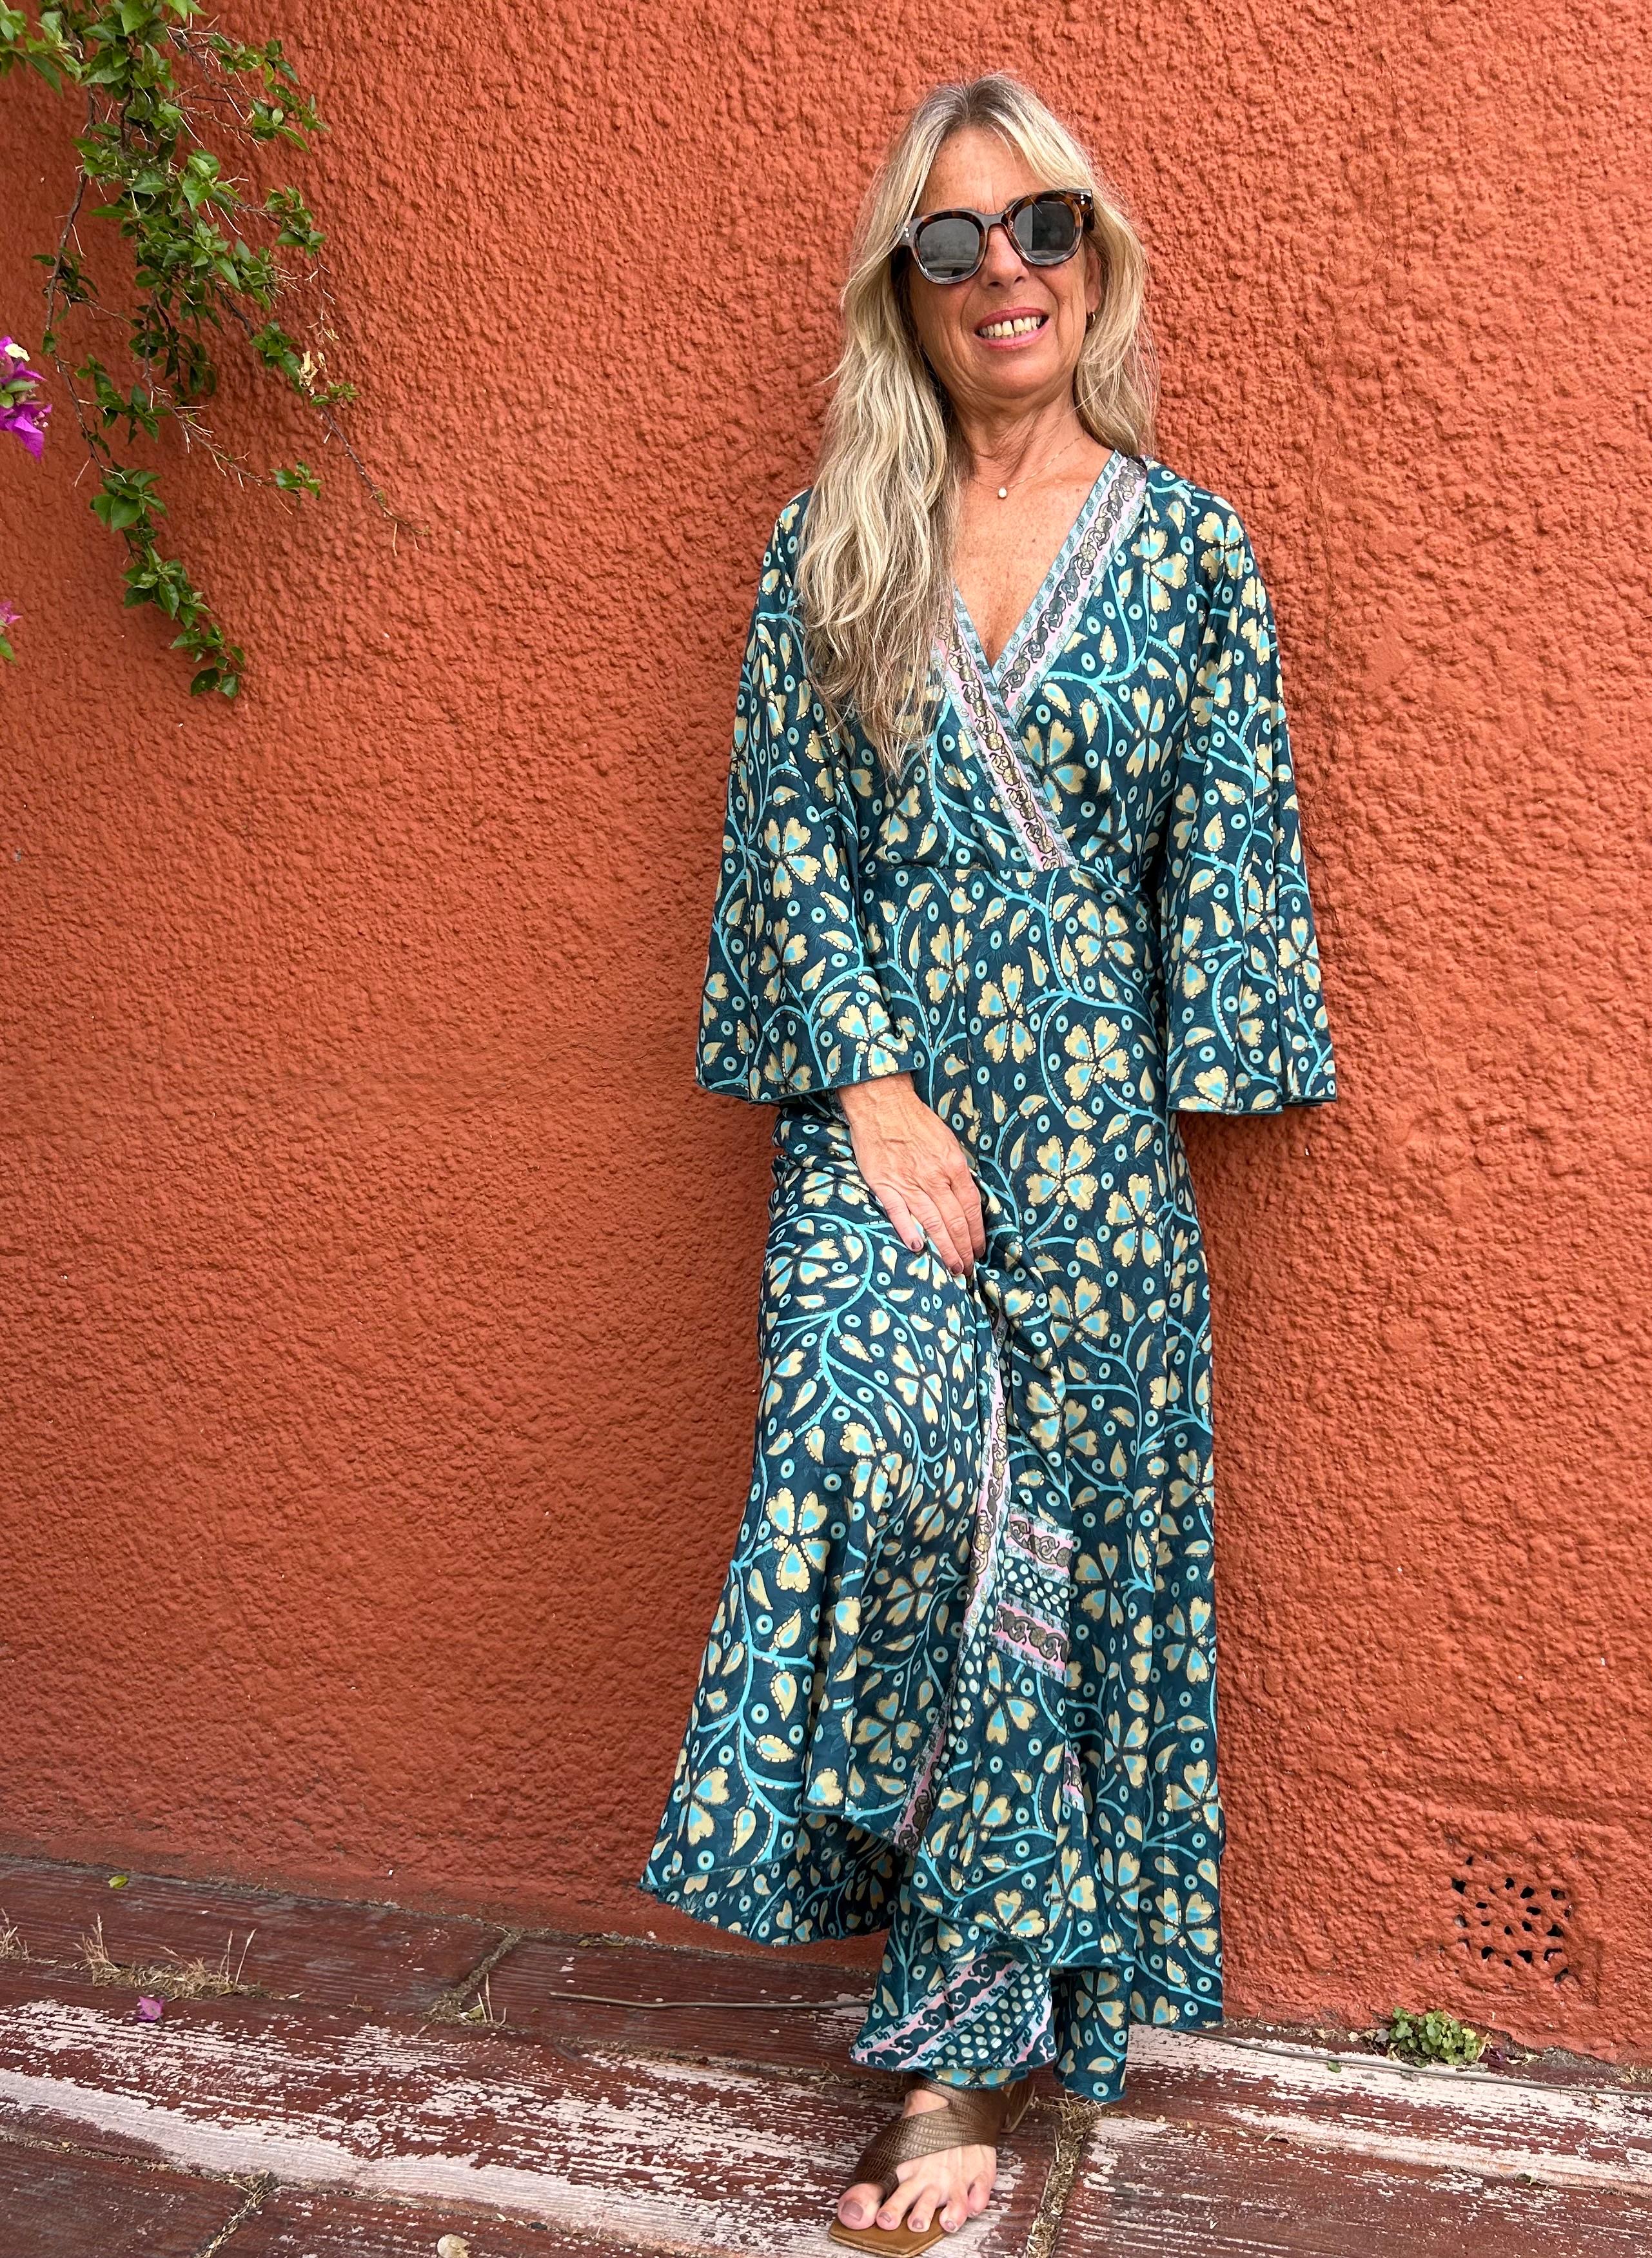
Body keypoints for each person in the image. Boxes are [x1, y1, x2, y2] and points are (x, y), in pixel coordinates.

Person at [642, 70, 1337, 2253]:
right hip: (887, 1125)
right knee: (884, 1464)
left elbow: (1230, 854)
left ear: (1094, 259)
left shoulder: (1189, 549)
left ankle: (955, 2058)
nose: (1002, 272)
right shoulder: (828, 542)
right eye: (951, 243)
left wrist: (1180, 1090)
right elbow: (782, 841)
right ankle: (905, 1889)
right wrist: (866, 1089)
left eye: (1040, 226)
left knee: (1051, 1573)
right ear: (905, 290)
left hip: (1098, 1149)